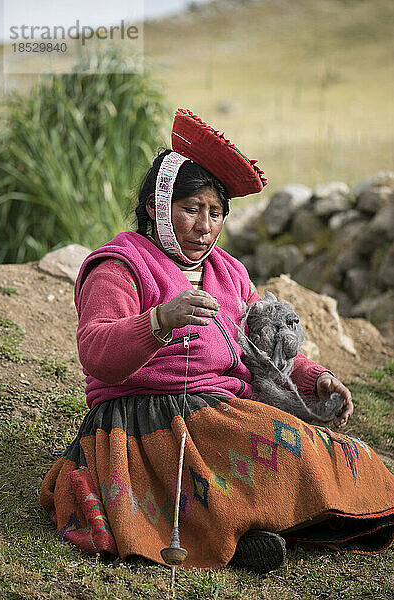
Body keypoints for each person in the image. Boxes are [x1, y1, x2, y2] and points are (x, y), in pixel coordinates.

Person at [40, 108, 394, 573]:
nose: (205, 226)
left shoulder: (228, 272)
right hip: (145, 424)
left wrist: (316, 379)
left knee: (342, 457)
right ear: (156, 208)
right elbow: (96, 352)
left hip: (221, 411)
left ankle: (244, 531)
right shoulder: (120, 266)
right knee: (282, 452)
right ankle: (235, 532)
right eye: (192, 209)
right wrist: (159, 321)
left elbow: (263, 349)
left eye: (215, 213)